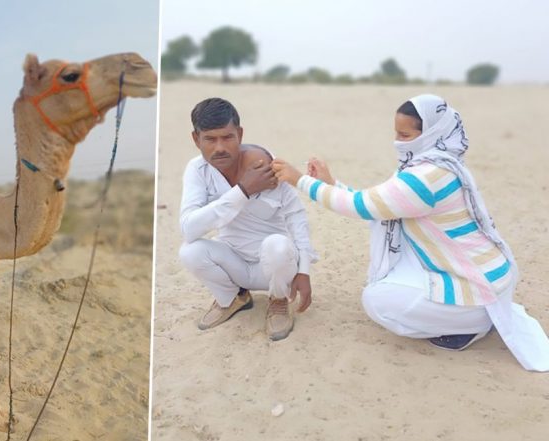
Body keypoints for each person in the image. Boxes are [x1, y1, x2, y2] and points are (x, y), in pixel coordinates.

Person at [272, 94, 549, 371]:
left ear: (431, 132)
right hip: (487, 277)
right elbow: (381, 205)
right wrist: (330, 183)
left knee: (377, 301)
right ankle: (473, 317)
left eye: (405, 135)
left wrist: (300, 180)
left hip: (480, 290)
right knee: (395, 279)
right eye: (396, 133)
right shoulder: (441, 164)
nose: (398, 142)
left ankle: (473, 324)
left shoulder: (426, 178)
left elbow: (364, 206)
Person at [178, 98, 317, 341]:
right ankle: (233, 298)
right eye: (210, 139)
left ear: (239, 134)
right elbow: (189, 229)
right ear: (196, 139)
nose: (219, 147)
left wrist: (303, 271)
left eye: (227, 137)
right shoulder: (197, 170)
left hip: (276, 268)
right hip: (235, 263)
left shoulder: (265, 163)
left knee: (278, 245)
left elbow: (297, 217)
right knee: (190, 251)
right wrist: (243, 190)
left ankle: (278, 302)